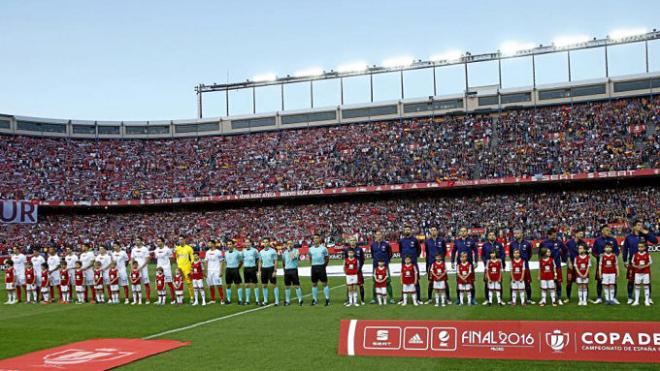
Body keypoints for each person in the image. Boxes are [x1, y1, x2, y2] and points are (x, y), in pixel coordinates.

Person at [623, 220, 657, 304]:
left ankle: (648, 298)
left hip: (644, 262)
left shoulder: (644, 236)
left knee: (647, 281)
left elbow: (655, 241)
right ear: (634, 226)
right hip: (632, 262)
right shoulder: (629, 237)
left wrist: (647, 233)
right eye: (638, 225)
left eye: (641, 225)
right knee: (631, 280)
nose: (640, 227)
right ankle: (630, 297)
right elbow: (625, 249)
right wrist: (624, 260)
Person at [591, 225, 620, 304]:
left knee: (613, 282)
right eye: (607, 230)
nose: (609, 231)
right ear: (602, 231)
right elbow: (593, 251)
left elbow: (617, 251)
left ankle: (613, 297)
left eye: (609, 230)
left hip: (612, 264)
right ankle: (599, 297)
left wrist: (614, 256)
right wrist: (598, 256)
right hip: (601, 264)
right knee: (599, 280)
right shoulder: (597, 241)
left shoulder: (613, 240)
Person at [539, 228, 566, 305]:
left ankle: (559, 298)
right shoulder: (544, 243)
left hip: (557, 266)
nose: (555, 236)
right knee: (544, 283)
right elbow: (540, 254)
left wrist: (563, 259)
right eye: (553, 235)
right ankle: (543, 299)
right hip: (546, 267)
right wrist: (541, 263)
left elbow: (565, 250)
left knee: (558, 283)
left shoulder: (559, 242)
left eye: (556, 235)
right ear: (549, 235)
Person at [451, 227, 477, 305]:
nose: (463, 232)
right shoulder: (457, 241)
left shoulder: (471, 241)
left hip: (469, 264)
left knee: (471, 282)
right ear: (460, 232)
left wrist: (475, 261)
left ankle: (472, 299)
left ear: (467, 232)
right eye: (461, 231)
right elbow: (453, 251)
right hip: (460, 264)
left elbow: (475, 251)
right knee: (459, 282)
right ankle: (459, 299)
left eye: (464, 231)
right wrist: (452, 262)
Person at [425, 227, 449, 304]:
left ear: (437, 231)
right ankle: (429, 298)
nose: (433, 231)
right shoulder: (427, 241)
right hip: (431, 263)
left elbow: (445, 251)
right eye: (431, 230)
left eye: (434, 230)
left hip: (441, 263)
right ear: (430, 232)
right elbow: (427, 253)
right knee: (431, 281)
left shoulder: (442, 240)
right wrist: (427, 265)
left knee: (444, 281)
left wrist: (441, 259)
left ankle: (448, 298)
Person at [509, 229, 534, 304]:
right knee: (513, 282)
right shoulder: (512, 244)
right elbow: (511, 254)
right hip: (515, 267)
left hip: (525, 267)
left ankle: (529, 299)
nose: (515, 235)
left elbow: (530, 254)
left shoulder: (527, 243)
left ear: (522, 234)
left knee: (527, 283)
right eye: (515, 233)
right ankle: (512, 299)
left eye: (517, 233)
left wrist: (524, 261)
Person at [370, 230, 394, 304]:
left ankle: (391, 298)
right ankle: (374, 298)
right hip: (375, 266)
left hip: (385, 266)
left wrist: (386, 261)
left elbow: (390, 254)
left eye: (379, 234)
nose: (378, 236)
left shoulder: (386, 244)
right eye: (377, 235)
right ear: (375, 236)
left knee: (387, 282)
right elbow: (372, 254)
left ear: (382, 235)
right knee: (375, 281)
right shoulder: (372, 245)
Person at [481, 231, 505, 306]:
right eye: (490, 235)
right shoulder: (485, 245)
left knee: (499, 282)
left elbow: (503, 254)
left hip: (497, 266)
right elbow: (482, 255)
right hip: (488, 267)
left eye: (493, 235)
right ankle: (487, 299)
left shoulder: (499, 244)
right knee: (487, 283)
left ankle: (500, 299)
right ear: (488, 236)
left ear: (495, 236)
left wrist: (500, 260)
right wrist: (486, 262)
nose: (491, 236)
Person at [399, 225, 421, 303]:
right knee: (404, 280)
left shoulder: (415, 240)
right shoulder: (401, 240)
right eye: (406, 230)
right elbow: (400, 250)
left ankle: (418, 299)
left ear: (411, 231)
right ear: (404, 231)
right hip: (404, 263)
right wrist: (404, 258)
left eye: (408, 229)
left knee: (416, 280)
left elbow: (419, 250)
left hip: (414, 263)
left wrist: (414, 257)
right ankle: (402, 299)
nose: (407, 231)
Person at [565, 229, 587, 303]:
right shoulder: (569, 243)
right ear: (576, 234)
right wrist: (569, 262)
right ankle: (568, 297)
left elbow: (586, 254)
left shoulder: (583, 243)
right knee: (569, 282)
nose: (582, 235)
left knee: (583, 282)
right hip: (571, 265)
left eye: (582, 234)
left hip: (581, 266)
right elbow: (567, 253)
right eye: (580, 234)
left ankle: (584, 298)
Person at [309, 233, 330, 306]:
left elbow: (327, 258)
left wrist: (324, 266)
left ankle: (327, 299)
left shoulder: (324, 248)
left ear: (319, 239)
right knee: (314, 284)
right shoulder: (310, 249)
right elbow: (310, 258)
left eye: (317, 238)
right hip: (314, 267)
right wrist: (313, 264)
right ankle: (314, 300)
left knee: (324, 283)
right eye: (314, 238)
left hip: (321, 267)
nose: (315, 239)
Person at [154, 238, 176, 304]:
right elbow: (157, 259)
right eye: (157, 241)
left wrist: (168, 266)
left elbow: (172, 259)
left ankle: (173, 299)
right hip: (159, 270)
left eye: (159, 241)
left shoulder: (168, 250)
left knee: (169, 284)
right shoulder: (156, 250)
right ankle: (160, 299)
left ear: (163, 242)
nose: (158, 242)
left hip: (166, 269)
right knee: (159, 284)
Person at [258, 237, 279, 306]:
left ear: (269, 243)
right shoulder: (261, 252)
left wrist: (275, 271)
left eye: (267, 242)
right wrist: (259, 271)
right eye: (264, 242)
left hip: (271, 269)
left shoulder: (273, 251)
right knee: (264, 285)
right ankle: (265, 300)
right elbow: (260, 262)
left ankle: (277, 301)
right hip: (264, 269)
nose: (265, 243)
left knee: (274, 285)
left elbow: (275, 261)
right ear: (263, 243)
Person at [631, 240, 652, 306]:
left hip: (646, 273)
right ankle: (636, 301)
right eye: (639, 247)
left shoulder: (647, 255)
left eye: (642, 247)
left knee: (646, 286)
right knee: (637, 286)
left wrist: (644, 266)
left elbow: (650, 263)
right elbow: (633, 263)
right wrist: (638, 267)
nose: (640, 248)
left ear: (645, 247)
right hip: (637, 273)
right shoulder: (635, 255)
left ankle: (646, 301)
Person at [130, 239, 152, 304]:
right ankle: (136, 300)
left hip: (143, 269)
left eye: (138, 240)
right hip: (135, 269)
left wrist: (141, 268)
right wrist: (132, 268)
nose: (137, 242)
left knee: (146, 283)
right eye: (136, 240)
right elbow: (132, 259)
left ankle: (147, 299)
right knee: (135, 283)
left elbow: (147, 260)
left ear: (141, 241)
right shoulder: (133, 249)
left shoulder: (145, 249)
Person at [175, 235, 195, 303]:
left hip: (187, 268)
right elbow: (177, 258)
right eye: (179, 239)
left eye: (181, 239)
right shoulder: (177, 249)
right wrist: (178, 266)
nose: (180, 241)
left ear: (184, 240)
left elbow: (192, 258)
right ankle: (181, 297)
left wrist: (192, 267)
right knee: (180, 283)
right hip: (180, 269)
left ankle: (192, 297)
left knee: (189, 283)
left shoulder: (189, 248)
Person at [282, 240, 303, 306]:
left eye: (291, 243)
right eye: (288, 244)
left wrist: (290, 251)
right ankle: (287, 300)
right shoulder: (284, 252)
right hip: (287, 270)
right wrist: (284, 270)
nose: (289, 245)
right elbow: (283, 262)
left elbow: (293, 258)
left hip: (294, 270)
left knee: (296, 285)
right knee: (287, 286)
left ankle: (300, 299)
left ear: (293, 244)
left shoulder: (296, 251)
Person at [204, 240, 225, 305]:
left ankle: (222, 299)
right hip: (210, 271)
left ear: (213, 244)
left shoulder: (218, 252)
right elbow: (206, 262)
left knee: (219, 285)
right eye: (208, 243)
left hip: (216, 270)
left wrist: (221, 271)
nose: (208, 244)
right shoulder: (207, 252)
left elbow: (221, 261)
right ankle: (213, 299)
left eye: (210, 243)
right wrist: (206, 271)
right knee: (211, 285)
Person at [224, 239, 244, 304]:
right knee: (228, 285)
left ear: (233, 245)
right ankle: (229, 300)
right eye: (228, 244)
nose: (229, 245)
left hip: (235, 269)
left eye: (230, 244)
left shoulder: (238, 253)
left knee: (238, 284)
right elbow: (226, 262)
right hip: (228, 270)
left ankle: (240, 300)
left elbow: (241, 262)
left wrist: (237, 268)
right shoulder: (226, 253)